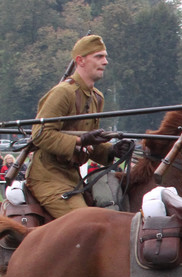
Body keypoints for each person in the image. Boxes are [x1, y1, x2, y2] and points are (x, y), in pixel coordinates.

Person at [26, 34, 133, 219]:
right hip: (48, 178)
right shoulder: (63, 92)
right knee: (87, 223)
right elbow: (40, 134)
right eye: (98, 57)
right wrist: (80, 140)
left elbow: (91, 143)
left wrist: (112, 150)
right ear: (80, 61)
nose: (105, 62)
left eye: (105, 56)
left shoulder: (97, 97)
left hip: (74, 178)